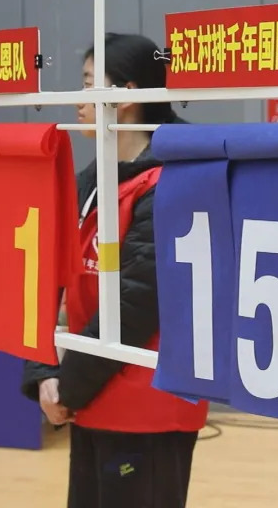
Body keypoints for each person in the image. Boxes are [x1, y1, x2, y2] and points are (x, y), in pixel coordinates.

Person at [21, 33, 207, 508]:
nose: (79, 99)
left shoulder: (174, 181)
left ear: (125, 96)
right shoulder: (91, 179)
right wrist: (44, 371)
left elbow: (137, 302)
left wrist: (69, 386)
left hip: (147, 406)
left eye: (89, 84)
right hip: (92, 394)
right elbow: (47, 278)